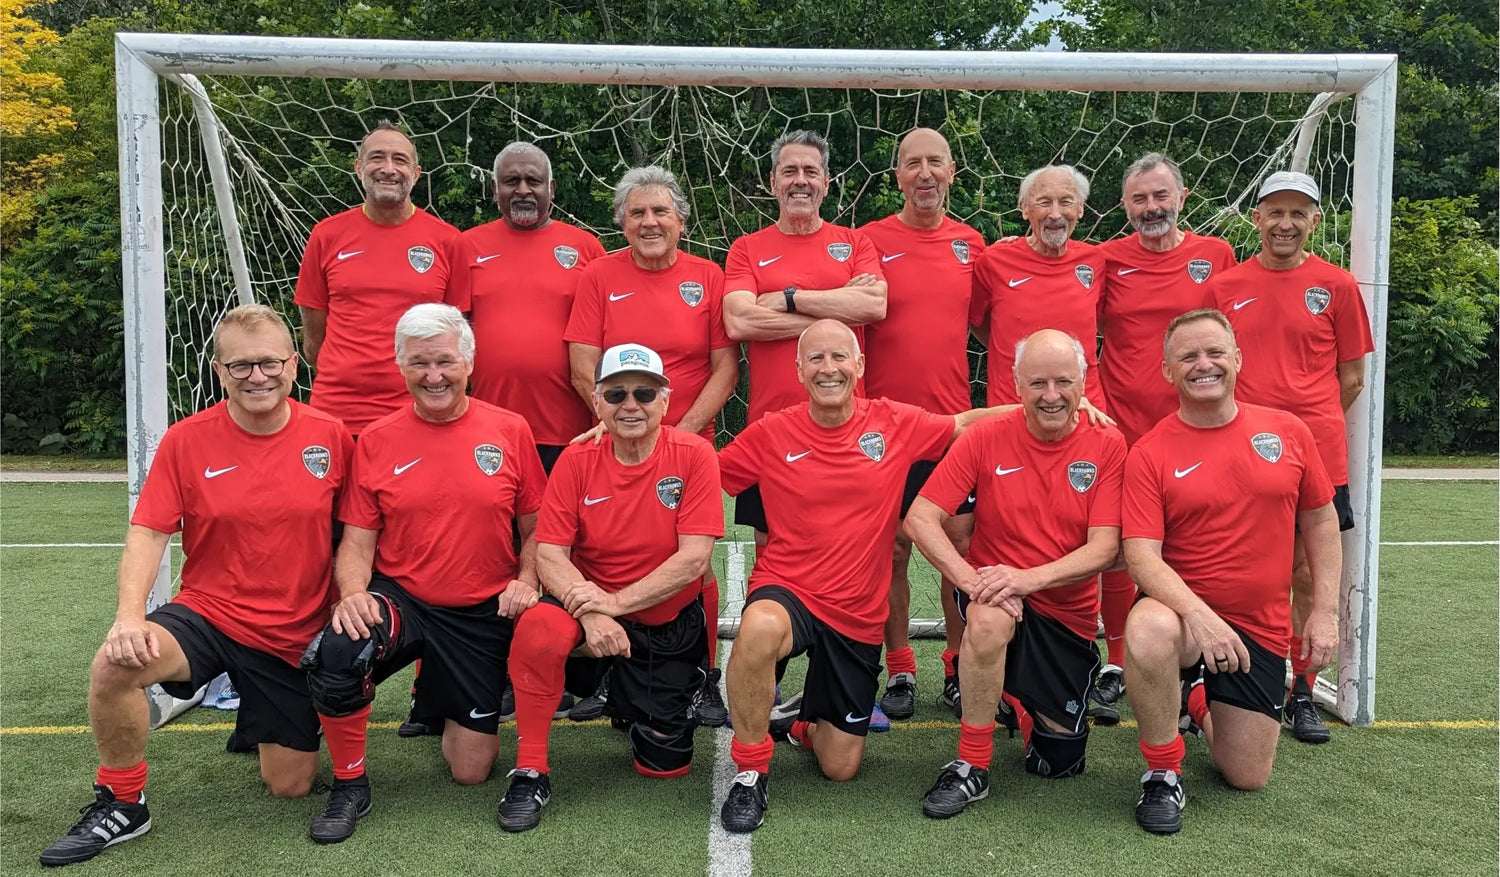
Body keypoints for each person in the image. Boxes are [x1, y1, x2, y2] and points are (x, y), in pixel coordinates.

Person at [40, 305, 353, 867]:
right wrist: (130, 616)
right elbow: (148, 532)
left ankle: (261, 711)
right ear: (217, 371)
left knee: (290, 785)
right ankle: (123, 800)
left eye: (269, 362)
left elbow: (359, 534)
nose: (257, 376)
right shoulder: (187, 441)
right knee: (114, 666)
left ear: (293, 364)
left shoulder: (332, 437)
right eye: (240, 366)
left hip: (293, 630)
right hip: (210, 614)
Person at [716, 319, 1003, 834]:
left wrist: (1059, 409)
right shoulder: (771, 432)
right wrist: (628, 430)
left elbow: (965, 423)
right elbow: (703, 472)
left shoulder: (893, 422)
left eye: (839, 358)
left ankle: (803, 722)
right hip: (790, 591)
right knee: (757, 627)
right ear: (798, 370)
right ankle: (749, 773)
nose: (829, 369)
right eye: (817, 359)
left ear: (860, 366)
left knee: (840, 767)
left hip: (857, 612)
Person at [299, 304, 548, 845]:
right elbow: (357, 542)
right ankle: (349, 785)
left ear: (469, 363)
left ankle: (437, 691)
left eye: (444, 361)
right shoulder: (379, 438)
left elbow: (536, 528)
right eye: (419, 364)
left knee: (470, 771)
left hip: (480, 610)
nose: (433, 375)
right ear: (400, 366)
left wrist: (527, 579)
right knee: (340, 649)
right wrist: (352, 594)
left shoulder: (510, 429)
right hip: (403, 599)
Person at [1122, 308, 1340, 835]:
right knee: (1147, 632)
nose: (1204, 365)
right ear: (1168, 372)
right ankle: (1162, 771)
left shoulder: (1288, 431)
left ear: (1237, 360)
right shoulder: (1150, 451)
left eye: (1215, 352)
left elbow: (1321, 520)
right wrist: (1198, 615)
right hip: (1182, 617)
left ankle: (1196, 698)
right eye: (1188, 356)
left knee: (1246, 775)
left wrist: (1326, 612)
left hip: (1258, 626)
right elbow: (1142, 555)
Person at [498, 344, 724, 832]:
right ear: (596, 402)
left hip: (662, 625)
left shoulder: (695, 455)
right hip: (589, 614)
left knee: (665, 766)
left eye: (644, 392)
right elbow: (550, 554)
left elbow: (694, 560)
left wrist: (614, 605)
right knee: (539, 626)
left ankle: (632, 690)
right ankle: (531, 767)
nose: (630, 404)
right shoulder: (577, 459)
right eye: (615, 393)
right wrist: (594, 613)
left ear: (666, 400)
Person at [905, 329, 1126, 819]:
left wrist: (1027, 579)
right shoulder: (985, 438)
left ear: (1084, 383)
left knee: (1059, 763)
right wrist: (971, 580)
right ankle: (971, 764)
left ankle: (1012, 694)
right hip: (995, 596)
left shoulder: (1108, 445)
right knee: (987, 620)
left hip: (1064, 614)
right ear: (1016, 384)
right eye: (1038, 383)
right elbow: (920, 517)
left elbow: (1107, 547)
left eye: (1063, 382)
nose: (1051, 396)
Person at [564, 166, 738, 726]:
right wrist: (617, 421)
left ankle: (704, 676)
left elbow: (724, 369)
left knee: (692, 563)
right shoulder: (598, 275)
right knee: (611, 551)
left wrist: (678, 437)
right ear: (620, 222)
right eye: (636, 212)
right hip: (619, 437)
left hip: (687, 442)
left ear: (681, 220)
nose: (649, 221)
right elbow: (583, 362)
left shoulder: (708, 277)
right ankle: (614, 670)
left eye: (660, 210)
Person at [443, 140, 605, 732]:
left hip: (569, 430)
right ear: (495, 190)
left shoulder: (584, 248)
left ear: (552, 188)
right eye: (511, 180)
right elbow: (455, 337)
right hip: (488, 433)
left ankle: (584, 678)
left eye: (533, 180)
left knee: (573, 550)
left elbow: (598, 337)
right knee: (497, 554)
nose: (523, 190)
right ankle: (501, 676)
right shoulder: (468, 246)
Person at [1209, 171, 1374, 744]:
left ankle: (1302, 689)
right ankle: (1239, 679)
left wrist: (1300, 421)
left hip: (1318, 453)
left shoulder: (1338, 285)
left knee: (1307, 571)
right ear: (1256, 219)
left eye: (1297, 213)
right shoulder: (1224, 287)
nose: (1285, 223)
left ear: (1315, 221)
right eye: (1274, 212)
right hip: (1242, 453)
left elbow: (1351, 378)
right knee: (1243, 568)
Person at [1089, 153, 1238, 724]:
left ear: (1181, 196)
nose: (1150, 207)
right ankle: (1118, 663)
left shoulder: (1215, 255)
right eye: (1138, 199)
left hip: (1195, 430)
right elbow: (1083, 326)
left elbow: (1225, 344)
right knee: (1120, 549)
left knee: (1195, 540)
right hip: (1122, 430)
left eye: (1159, 196)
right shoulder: (1105, 259)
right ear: (1125, 206)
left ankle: (1194, 660)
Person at [859, 128, 985, 719]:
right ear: (898, 176)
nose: (926, 173)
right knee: (892, 554)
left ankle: (958, 666)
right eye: (914, 164)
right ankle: (902, 668)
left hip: (954, 427)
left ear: (953, 172)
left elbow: (992, 325)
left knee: (958, 547)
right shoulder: (868, 241)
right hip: (883, 428)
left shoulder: (971, 243)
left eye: (936, 161)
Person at [722, 130, 887, 543]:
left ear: (826, 183)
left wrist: (790, 298)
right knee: (772, 546)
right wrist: (835, 322)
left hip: (846, 429)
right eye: (790, 171)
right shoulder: (747, 248)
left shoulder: (854, 243)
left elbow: (873, 306)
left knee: (857, 547)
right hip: (771, 429)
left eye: (811, 171)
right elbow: (739, 321)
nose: (801, 180)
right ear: (773, 181)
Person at [294, 121, 461, 437]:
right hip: (336, 412)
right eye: (376, 157)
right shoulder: (326, 235)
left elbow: (459, 336)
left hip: (416, 413)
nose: (388, 168)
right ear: (358, 167)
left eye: (399, 160)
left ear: (417, 172)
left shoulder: (447, 241)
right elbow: (314, 338)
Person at [970, 165, 1106, 409]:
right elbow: (977, 322)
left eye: (1065, 201)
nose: (1055, 213)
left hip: (1085, 411)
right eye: (1044, 202)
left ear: (1080, 209)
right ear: (1024, 209)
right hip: (1012, 410)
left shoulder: (1096, 261)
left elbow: (1100, 321)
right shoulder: (994, 261)